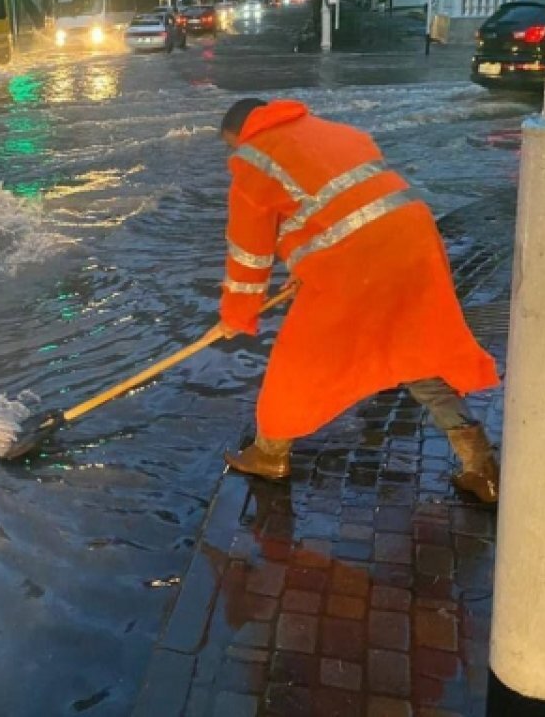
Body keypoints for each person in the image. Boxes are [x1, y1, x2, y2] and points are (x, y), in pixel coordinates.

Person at [215, 98, 501, 503]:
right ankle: (482, 467)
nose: (234, 153)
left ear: (240, 134)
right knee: (414, 350)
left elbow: (249, 250)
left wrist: (236, 314)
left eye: (231, 145)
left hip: (358, 262)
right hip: (415, 242)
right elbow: (338, 209)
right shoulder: (334, 131)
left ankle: (270, 453)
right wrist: (306, 270)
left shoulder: (254, 158)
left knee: (298, 357)